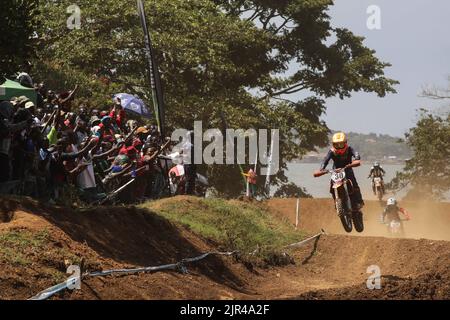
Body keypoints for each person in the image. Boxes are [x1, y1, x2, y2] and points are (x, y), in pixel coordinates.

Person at [313, 132, 364, 210]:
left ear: (345, 143)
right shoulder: (332, 151)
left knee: (354, 184)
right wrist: (322, 169)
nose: (339, 147)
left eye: (341, 144)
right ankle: (337, 203)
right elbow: (325, 160)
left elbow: (356, 154)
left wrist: (356, 159)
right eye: (337, 145)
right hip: (336, 171)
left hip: (348, 169)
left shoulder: (349, 148)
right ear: (333, 144)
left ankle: (359, 201)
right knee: (331, 186)